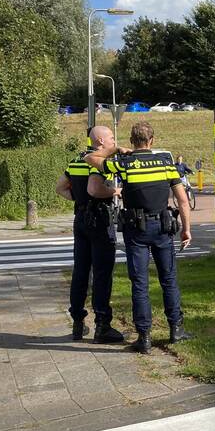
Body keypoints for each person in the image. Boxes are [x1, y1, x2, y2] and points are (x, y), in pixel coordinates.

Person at [86, 121, 192, 354]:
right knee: (168, 280)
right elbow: (183, 201)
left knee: (140, 284)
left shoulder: (124, 164)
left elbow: (90, 159)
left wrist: (116, 149)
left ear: (133, 142)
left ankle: (144, 337)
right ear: (152, 141)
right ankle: (176, 330)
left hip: (137, 230)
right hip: (164, 228)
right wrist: (186, 229)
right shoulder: (166, 164)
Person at [54, 126, 124, 343]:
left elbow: (60, 188)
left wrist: (79, 200)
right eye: (112, 137)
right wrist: (116, 191)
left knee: (81, 271)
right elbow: (94, 189)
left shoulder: (76, 160)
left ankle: (77, 321)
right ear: (101, 141)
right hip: (99, 218)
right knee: (102, 273)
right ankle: (102, 325)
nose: (114, 140)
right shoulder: (99, 163)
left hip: (80, 220)